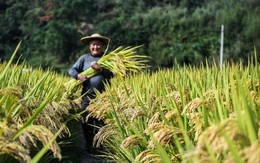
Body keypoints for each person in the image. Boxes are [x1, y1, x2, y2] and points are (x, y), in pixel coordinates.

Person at [69, 33, 113, 152]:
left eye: (98, 45)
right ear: (89, 45)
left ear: (102, 46)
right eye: (93, 44)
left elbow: (112, 75)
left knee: (101, 122)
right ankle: (89, 145)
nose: (95, 47)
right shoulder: (84, 58)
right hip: (87, 96)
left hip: (103, 98)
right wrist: (78, 76)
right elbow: (72, 70)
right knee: (85, 121)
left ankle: (100, 146)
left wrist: (101, 70)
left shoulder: (108, 59)